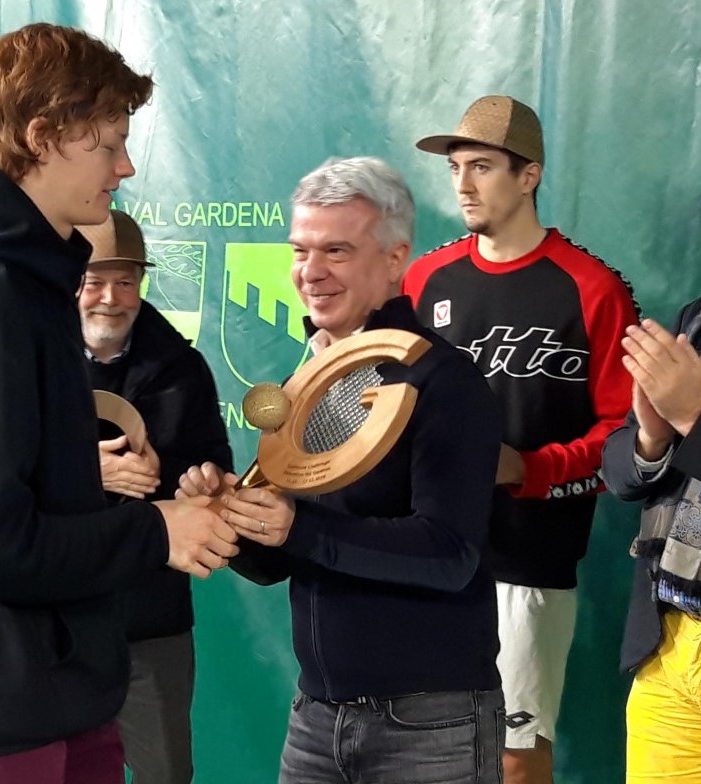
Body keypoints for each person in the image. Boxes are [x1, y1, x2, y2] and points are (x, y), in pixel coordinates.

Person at [0, 23, 237, 784]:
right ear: (42, 137)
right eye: (109, 143)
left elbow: (34, 487)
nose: (126, 166)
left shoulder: (38, 284)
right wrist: (155, 529)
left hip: (66, 693)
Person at [180, 156, 505, 784]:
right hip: (316, 720)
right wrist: (237, 517)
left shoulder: (444, 382)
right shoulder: (304, 383)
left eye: (336, 250)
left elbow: (448, 554)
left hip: (431, 725)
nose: (311, 271)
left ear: (395, 259)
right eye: (300, 250)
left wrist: (298, 528)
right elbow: (276, 564)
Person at [402, 95, 639, 784]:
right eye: (455, 168)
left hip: (528, 560)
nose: (463, 184)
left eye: (481, 166)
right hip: (423, 552)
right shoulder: (424, 279)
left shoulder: (591, 288)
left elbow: (623, 437)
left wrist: (527, 469)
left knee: (513, 758)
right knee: (420, 746)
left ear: (528, 175)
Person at [601, 140, 701, 784]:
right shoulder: (698, 322)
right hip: (667, 642)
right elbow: (620, 470)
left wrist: (693, 417)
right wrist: (653, 436)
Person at [75, 209, 234, 784]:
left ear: (141, 283)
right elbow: (2, 476)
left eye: (125, 281)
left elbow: (214, 471)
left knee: (165, 772)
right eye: (94, 281)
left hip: (150, 618)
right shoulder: (33, 360)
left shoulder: (182, 368)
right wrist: (88, 473)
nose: (110, 299)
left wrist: (200, 486)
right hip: (54, 618)